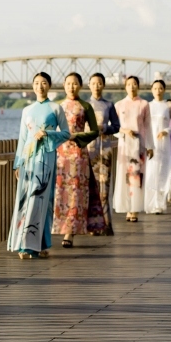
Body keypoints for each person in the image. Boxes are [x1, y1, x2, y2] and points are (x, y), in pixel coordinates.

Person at [7, 72, 70, 259]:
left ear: (49, 85)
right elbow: (23, 138)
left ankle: (39, 245)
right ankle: (23, 244)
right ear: (33, 86)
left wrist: (48, 134)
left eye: (43, 83)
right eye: (36, 83)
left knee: (42, 199)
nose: (40, 86)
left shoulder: (55, 108)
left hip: (46, 158)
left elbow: (66, 133)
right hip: (28, 160)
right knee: (26, 200)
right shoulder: (27, 111)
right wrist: (17, 164)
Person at [51, 72, 103, 247]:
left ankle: (70, 232)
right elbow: (50, 129)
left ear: (80, 86)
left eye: (75, 84)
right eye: (68, 84)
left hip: (79, 154)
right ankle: (55, 227)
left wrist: (76, 136)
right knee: (59, 193)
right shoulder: (57, 107)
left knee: (75, 193)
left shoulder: (85, 106)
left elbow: (95, 131)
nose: (71, 87)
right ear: (64, 86)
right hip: (60, 154)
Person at [112, 76, 154, 222]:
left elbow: (148, 126)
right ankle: (126, 207)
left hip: (139, 145)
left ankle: (134, 209)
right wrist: (123, 131)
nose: (132, 86)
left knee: (136, 176)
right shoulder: (119, 105)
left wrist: (150, 146)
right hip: (124, 145)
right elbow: (114, 127)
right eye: (129, 84)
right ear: (125, 86)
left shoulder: (144, 104)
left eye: (134, 84)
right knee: (124, 176)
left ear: (138, 86)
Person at [86, 73, 120, 236]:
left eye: (99, 83)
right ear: (89, 85)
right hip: (89, 150)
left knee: (104, 187)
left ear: (103, 85)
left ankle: (106, 224)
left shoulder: (109, 105)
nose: (96, 86)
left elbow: (117, 126)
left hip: (105, 150)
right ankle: (92, 226)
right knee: (89, 188)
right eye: (93, 83)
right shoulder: (85, 105)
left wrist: (104, 128)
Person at [144, 79, 171, 213]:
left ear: (164, 90)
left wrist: (166, 131)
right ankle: (149, 204)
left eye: (160, 88)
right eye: (155, 88)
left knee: (162, 172)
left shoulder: (168, 106)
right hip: (150, 141)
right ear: (151, 90)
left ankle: (159, 204)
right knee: (150, 172)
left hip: (163, 143)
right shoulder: (147, 105)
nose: (158, 91)